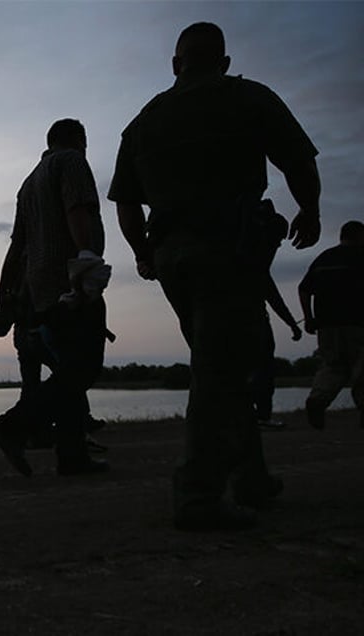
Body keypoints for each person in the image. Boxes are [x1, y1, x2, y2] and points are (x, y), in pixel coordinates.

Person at [108, 22, 321, 530]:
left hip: (172, 261)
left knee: (219, 362)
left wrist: (143, 253)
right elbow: (298, 158)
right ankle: (198, 496)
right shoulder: (248, 97)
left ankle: (252, 479)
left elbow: (125, 203)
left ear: (176, 64)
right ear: (223, 62)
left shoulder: (145, 120)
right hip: (227, 252)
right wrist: (309, 209)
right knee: (222, 367)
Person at [0, 118, 111, 477]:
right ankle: (14, 424)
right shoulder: (71, 161)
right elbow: (78, 209)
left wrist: (3, 296)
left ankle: (72, 456)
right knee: (83, 367)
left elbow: (16, 245)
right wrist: (87, 257)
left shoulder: (28, 183)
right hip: (70, 280)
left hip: (40, 287)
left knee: (67, 365)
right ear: (78, 140)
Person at [298, 220, 364, 429]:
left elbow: (304, 289)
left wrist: (308, 318)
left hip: (326, 325)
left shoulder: (324, 258)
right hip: (358, 323)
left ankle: (318, 399)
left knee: (333, 366)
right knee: (360, 367)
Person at [250, 274, 302, 430]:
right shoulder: (257, 269)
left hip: (229, 327)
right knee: (264, 373)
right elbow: (275, 300)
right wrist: (292, 324)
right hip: (257, 326)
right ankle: (262, 417)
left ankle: (247, 416)